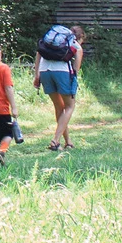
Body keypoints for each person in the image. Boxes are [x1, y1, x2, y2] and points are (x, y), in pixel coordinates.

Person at [35, 23, 84, 152]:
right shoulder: (74, 43)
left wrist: (37, 74)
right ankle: (55, 140)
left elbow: (39, 53)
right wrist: (74, 76)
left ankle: (68, 142)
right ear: (80, 37)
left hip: (44, 71)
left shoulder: (50, 40)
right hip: (62, 72)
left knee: (59, 107)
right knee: (69, 106)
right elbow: (76, 65)